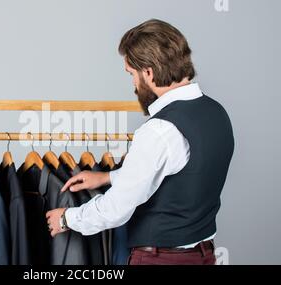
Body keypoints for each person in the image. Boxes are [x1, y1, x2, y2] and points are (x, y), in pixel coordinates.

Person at [46, 19, 235, 265]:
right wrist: (108, 177)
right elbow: (179, 174)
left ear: (148, 72)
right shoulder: (216, 112)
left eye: (132, 74)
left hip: (161, 259)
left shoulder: (159, 130)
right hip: (204, 255)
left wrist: (66, 219)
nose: (133, 84)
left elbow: (116, 209)